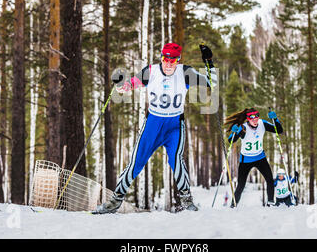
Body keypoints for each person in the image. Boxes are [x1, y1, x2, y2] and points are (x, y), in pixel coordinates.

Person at [94, 43, 217, 214]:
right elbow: (128, 86)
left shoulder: (185, 72)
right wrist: (120, 85)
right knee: (136, 163)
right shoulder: (150, 71)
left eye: (172, 60)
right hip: (153, 124)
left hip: (175, 125)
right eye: (165, 59)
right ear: (161, 57)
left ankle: (187, 201)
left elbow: (212, 82)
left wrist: (209, 62)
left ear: (178, 60)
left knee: (176, 161)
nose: (168, 63)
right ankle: (114, 201)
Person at [224, 108, 283, 207]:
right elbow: (231, 141)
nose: (255, 120)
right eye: (252, 118)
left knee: (269, 180)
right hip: (246, 160)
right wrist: (233, 132)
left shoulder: (262, 124)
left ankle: (271, 203)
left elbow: (279, 130)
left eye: (257, 117)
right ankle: (233, 205)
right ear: (248, 119)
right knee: (241, 185)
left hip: (260, 157)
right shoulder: (243, 128)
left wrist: (275, 119)